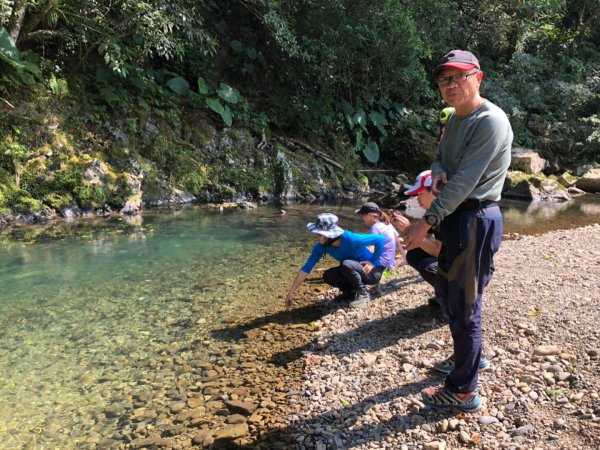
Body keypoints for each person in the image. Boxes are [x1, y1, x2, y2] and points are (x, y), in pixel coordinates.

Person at [402, 49, 513, 413]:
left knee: (465, 305)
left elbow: (465, 181)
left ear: (478, 77)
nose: (450, 84)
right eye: (444, 79)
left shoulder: (490, 121)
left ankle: (464, 390)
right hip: (456, 219)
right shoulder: (455, 120)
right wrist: (435, 174)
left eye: (458, 77)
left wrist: (425, 222)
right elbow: (441, 159)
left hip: (475, 218)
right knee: (449, 295)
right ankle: (469, 359)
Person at [285, 212, 386, 309]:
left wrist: (373, 262)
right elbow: (307, 268)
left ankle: (363, 294)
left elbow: (380, 239)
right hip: (355, 271)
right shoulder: (321, 246)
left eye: (319, 234)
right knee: (328, 275)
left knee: (346, 264)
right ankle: (350, 293)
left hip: (372, 273)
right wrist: (291, 291)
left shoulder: (350, 238)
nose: (316, 236)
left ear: (329, 235)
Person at [392, 171, 441, 290]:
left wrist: (410, 229)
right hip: (455, 260)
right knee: (413, 254)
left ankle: (450, 297)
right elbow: (422, 241)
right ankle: (443, 291)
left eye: (420, 194)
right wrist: (405, 231)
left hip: (466, 268)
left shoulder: (444, 214)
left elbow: (438, 252)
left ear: (435, 191)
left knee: (427, 266)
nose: (417, 199)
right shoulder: (431, 212)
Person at [356, 202, 407, 271]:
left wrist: (369, 263)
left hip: (380, 264)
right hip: (389, 264)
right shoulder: (387, 224)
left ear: (369, 215)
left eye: (363, 215)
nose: (363, 218)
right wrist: (406, 259)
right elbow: (400, 240)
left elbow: (372, 248)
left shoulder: (375, 228)